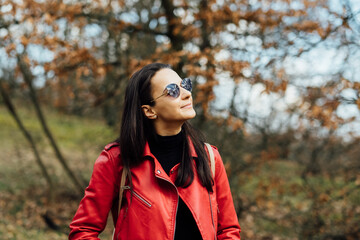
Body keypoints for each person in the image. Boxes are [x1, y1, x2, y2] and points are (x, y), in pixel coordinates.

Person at [69, 63, 241, 240]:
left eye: (185, 85)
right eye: (173, 91)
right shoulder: (116, 159)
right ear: (149, 111)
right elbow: (83, 231)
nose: (187, 94)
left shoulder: (210, 158)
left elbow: (228, 231)